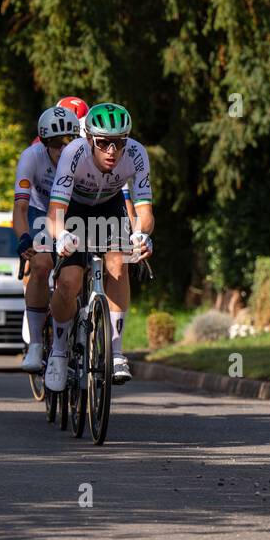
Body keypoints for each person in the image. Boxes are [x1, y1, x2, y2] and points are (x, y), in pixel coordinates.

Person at [43, 102, 154, 390]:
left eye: (118, 143)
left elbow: (144, 211)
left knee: (118, 264)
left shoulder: (137, 154)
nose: (111, 151)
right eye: (103, 143)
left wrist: (141, 234)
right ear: (90, 140)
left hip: (110, 207)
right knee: (69, 281)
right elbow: (56, 209)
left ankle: (116, 352)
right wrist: (62, 235)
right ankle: (57, 350)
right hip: (74, 210)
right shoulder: (73, 153)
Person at [15, 103, 82, 372]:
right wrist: (23, 238)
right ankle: (35, 345)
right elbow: (19, 208)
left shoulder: (83, 156)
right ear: (44, 143)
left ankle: (82, 318)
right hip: (40, 210)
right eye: (55, 143)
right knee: (42, 265)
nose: (61, 148)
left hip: (74, 211)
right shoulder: (31, 157)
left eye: (68, 141)